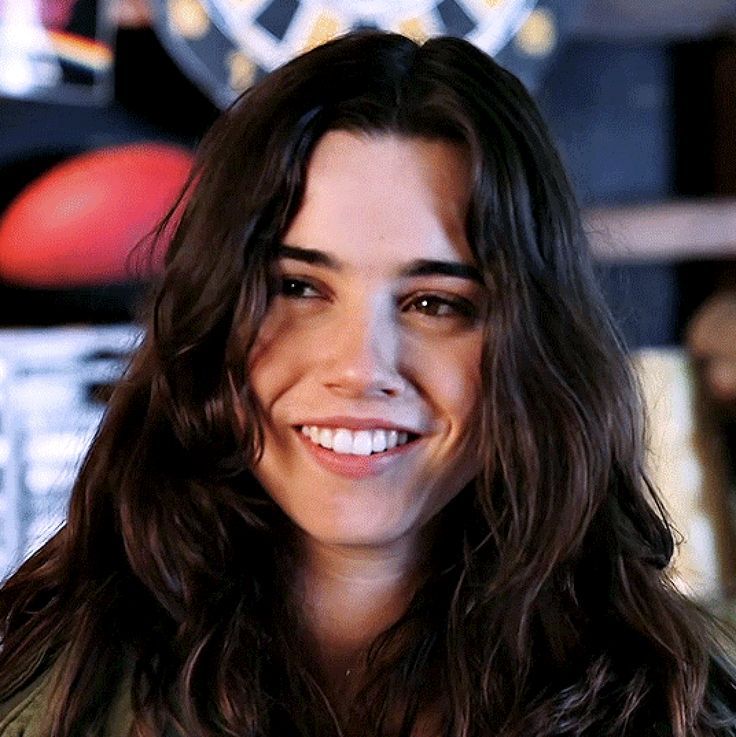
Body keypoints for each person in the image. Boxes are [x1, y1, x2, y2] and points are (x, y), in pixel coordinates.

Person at [0, 30, 734, 737]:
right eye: (298, 286)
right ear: (212, 315)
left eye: (435, 303)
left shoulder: (684, 704)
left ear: (533, 347)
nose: (358, 367)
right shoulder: (37, 682)